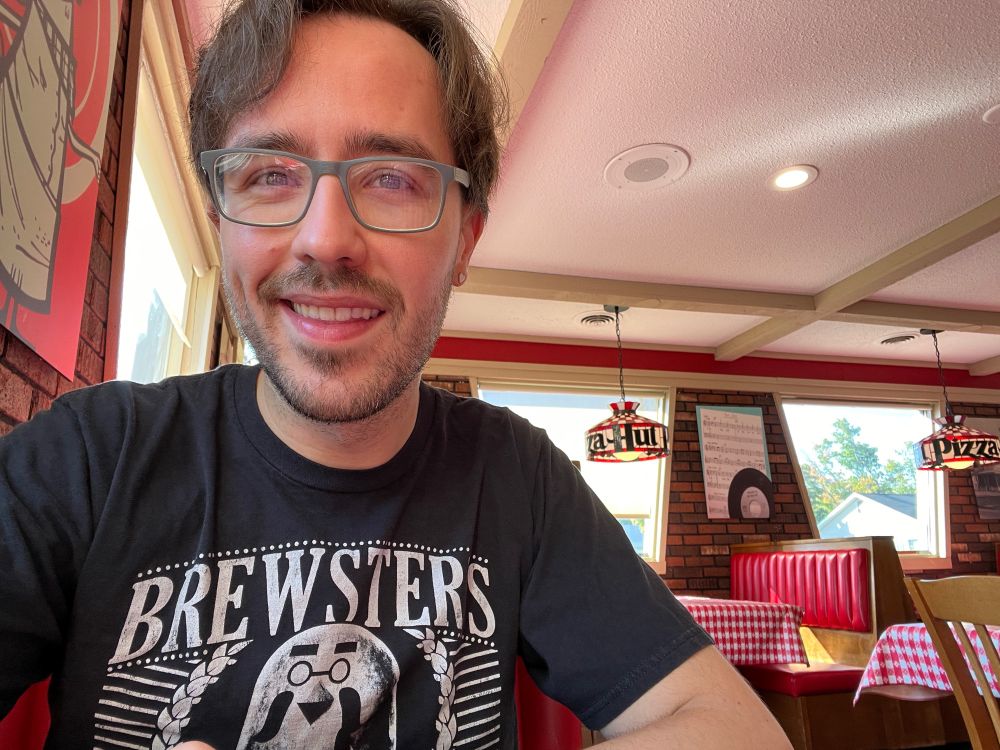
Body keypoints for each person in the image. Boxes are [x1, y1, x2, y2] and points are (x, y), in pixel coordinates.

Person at [0, 0, 792, 747]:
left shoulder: (517, 478)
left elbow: (734, 726)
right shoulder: (85, 457)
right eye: (270, 174)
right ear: (221, 221)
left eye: (391, 177)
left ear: (465, 240)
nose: (325, 239)